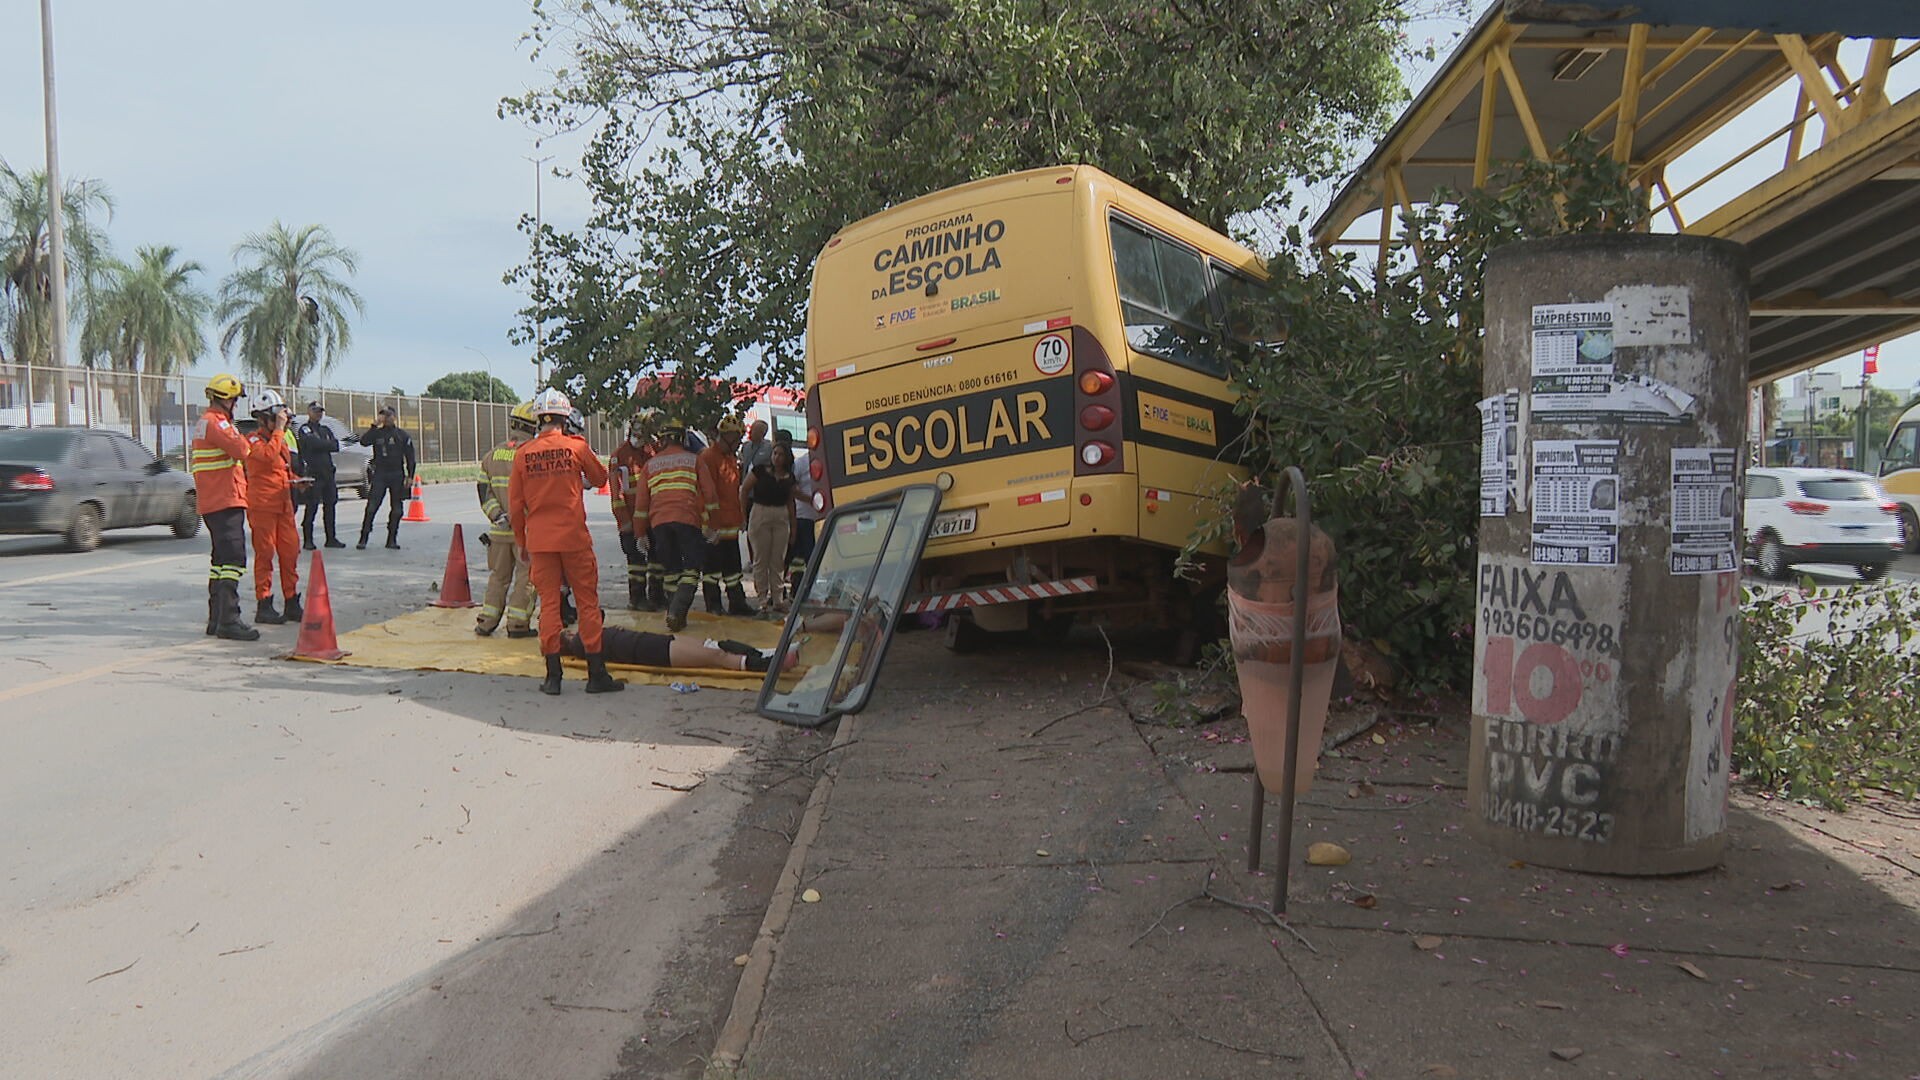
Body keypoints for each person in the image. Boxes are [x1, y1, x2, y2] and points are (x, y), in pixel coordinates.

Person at [509, 389, 624, 696]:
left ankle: (553, 677)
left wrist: (522, 542)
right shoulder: (576, 447)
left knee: (549, 605)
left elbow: (515, 505)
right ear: (565, 418)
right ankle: (596, 674)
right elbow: (600, 478)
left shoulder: (523, 454)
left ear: (538, 418)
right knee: (587, 602)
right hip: (573, 537)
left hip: (539, 540)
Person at [190, 373, 259, 641]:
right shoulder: (217, 423)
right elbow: (242, 451)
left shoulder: (203, 423)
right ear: (227, 399)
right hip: (225, 499)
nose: (236, 406)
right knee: (233, 559)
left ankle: (216, 618)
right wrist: (243, 436)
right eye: (234, 400)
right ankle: (229, 619)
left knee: (219, 561)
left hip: (213, 500)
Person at [635, 417, 716, 632]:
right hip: (687, 520)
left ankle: (675, 613)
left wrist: (640, 533)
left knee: (670, 569)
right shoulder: (694, 460)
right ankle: (677, 610)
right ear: (683, 438)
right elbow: (710, 494)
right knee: (692, 568)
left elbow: (641, 504)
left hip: (659, 523)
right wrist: (712, 524)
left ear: (661, 440)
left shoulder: (650, 465)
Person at [475, 400, 539, 638]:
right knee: (526, 578)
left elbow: (484, 492)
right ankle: (518, 624)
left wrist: (497, 515)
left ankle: (486, 622)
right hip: (526, 533)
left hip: (499, 531)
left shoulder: (492, 455)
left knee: (498, 578)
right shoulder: (533, 454)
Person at [242, 391, 304, 626]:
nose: (282, 424)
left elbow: (282, 468)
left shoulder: (280, 439)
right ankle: (264, 602)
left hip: (283, 503)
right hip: (263, 505)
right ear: (263, 419)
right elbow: (267, 458)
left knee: (290, 553)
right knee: (265, 554)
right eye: (277, 419)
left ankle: (291, 601)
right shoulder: (253, 440)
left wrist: (297, 480)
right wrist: (279, 429)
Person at [556, 625, 798, 674]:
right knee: (716, 656)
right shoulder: (581, 642)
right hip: (650, 650)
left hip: (651, 643)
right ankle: (772, 664)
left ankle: (766, 654)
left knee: (711, 646)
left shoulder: (583, 638)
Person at [699, 415, 753, 615]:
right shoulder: (707, 457)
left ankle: (737, 604)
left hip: (729, 524)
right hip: (713, 526)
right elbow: (706, 493)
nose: (739, 443)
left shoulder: (730, 458)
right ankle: (713, 605)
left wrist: (740, 518)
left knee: (733, 570)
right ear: (727, 436)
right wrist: (709, 526)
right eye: (737, 438)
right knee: (712, 570)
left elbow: (734, 491)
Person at [611, 413, 659, 610]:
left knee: (657, 559)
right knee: (636, 561)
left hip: (652, 517)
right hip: (630, 517)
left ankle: (657, 596)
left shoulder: (651, 452)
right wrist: (626, 522)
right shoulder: (619, 456)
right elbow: (616, 494)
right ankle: (637, 599)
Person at [746, 443, 798, 613]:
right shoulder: (760, 471)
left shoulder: (789, 478)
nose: (776, 457)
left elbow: (791, 502)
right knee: (761, 558)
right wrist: (743, 516)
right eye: (775, 453)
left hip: (781, 516)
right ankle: (762, 597)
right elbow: (743, 490)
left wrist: (793, 526)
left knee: (778, 559)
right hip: (761, 512)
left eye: (781, 454)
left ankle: (778, 598)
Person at [357, 405, 417, 550]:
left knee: (397, 509)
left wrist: (410, 476)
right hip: (380, 474)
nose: (387, 418)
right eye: (384, 415)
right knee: (372, 507)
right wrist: (373, 425)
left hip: (397, 474)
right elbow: (364, 441)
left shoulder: (402, 435)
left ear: (394, 417)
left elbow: (410, 457)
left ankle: (392, 539)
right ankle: (363, 537)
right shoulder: (377, 433)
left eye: (389, 415)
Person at [295, 400, 344, 549]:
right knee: (312, 507)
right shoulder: (304, 429)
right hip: (313, 473)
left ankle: (331, 538)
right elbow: (312, 444)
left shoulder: (325, 429)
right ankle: (308, 540)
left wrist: (322, 444)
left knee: (330, 506)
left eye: (320, 411)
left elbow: (335, 445)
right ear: (309, 412)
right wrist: (324, 444)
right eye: (315, 411)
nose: (318, 414)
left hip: (327, 473)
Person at [788, 442, 821, 593]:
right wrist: (812, 501)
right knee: (801, 557)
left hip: (821, 518)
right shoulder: (800, 463)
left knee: (815, 556)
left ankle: (812, 589)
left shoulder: (826, 461)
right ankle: (798, 589)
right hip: (803, 516)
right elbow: (792, 489)